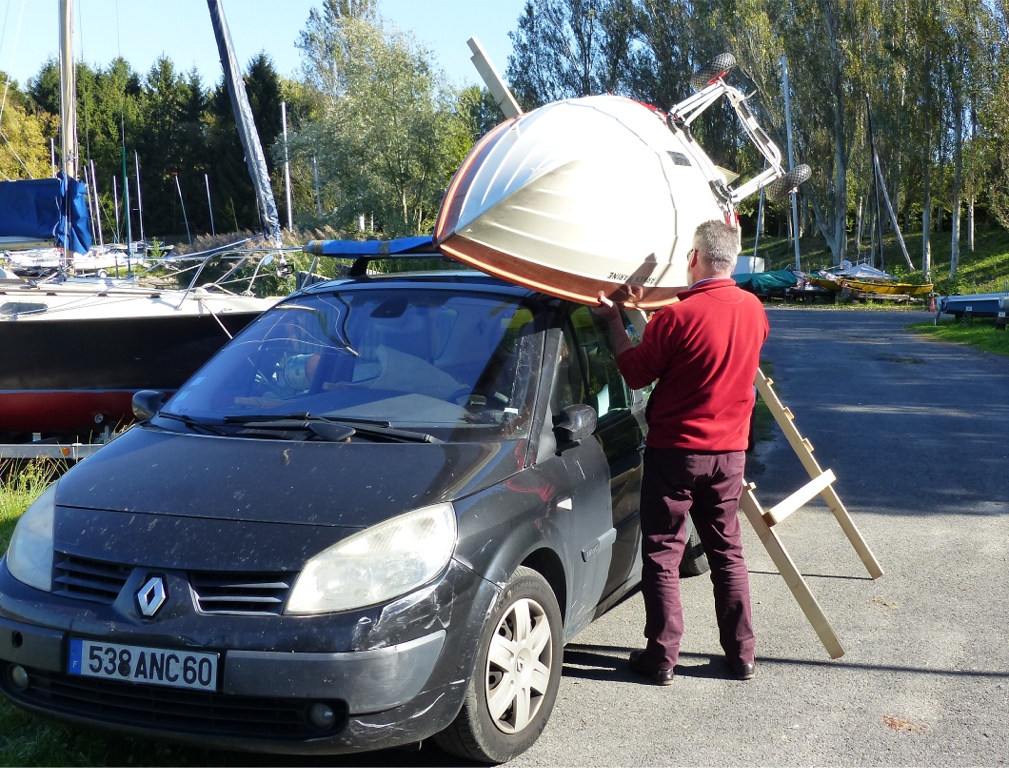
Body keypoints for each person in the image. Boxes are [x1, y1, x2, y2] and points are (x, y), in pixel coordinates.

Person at [593, 219, 768, 685]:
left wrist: (615, 321)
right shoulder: (754, 310)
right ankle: (743, 655)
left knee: (663, 551)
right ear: (733, 260)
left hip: (676, 453)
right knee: (727, 552)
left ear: (694, 258)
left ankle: (662, 657)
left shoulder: (676, 317)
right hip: (730, 453)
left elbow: (635, 372)